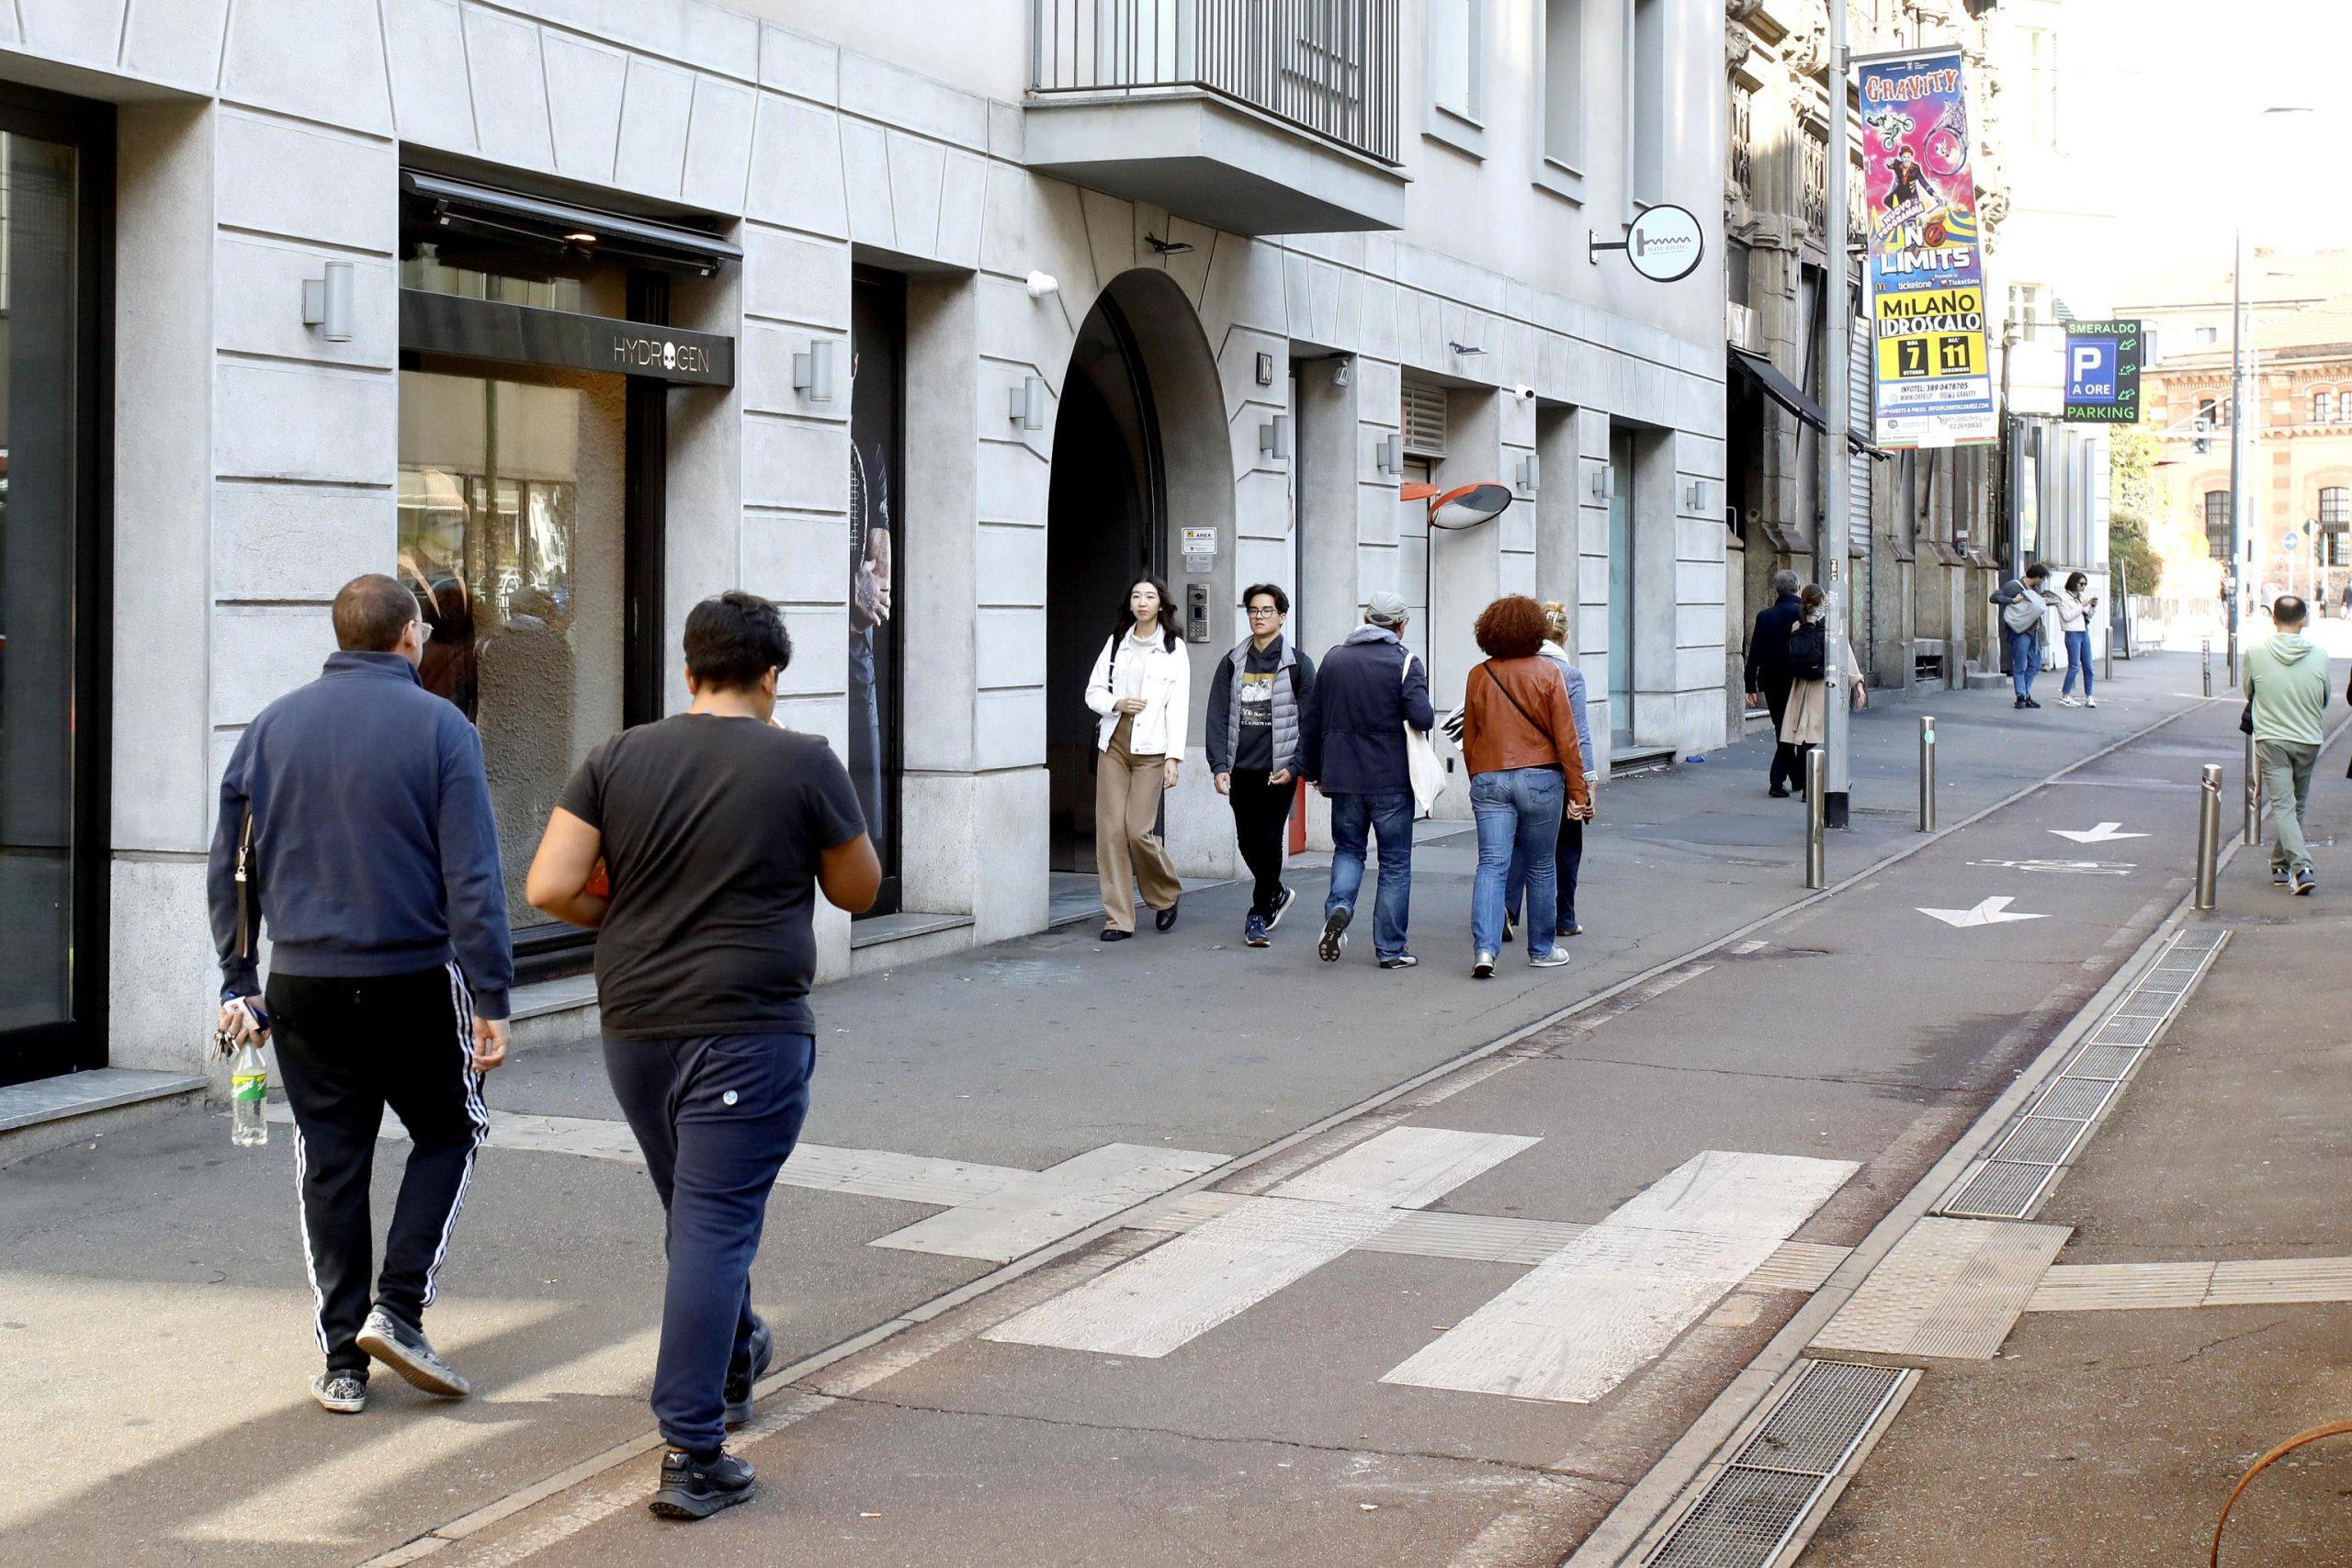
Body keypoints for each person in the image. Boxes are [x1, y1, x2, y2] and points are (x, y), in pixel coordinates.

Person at [525, 591, 879, 1520]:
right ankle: (693, 1450)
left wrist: (631, 915)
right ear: (772, 676)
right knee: (713, 1225)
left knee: (696, 1214)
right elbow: (859, 890)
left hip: (635, 1023)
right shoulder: (803, 761)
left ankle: (734, 1354)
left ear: (689, 670)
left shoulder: (616, 756)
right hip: (746, 1026)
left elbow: (550, 885)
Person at [209, 573, 513, 1417]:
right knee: (451, 1129)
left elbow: (234, 867)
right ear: (411, 634)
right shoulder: (442, 727)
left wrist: (241, 981)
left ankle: (344, 1361)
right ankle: (400, 1308)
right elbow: (474, 876)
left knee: (331, 1161)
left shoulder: (269, 729)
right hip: (414, 974)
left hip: (301, 980)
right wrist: (491, 993)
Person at [1300, 591, 1434, 969]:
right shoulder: (1405, 662)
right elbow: (1422, 717)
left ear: (1367, 619)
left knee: (1348, 851)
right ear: (1401, 625)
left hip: (1343, 778)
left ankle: (1339, 908)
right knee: (1394, 864)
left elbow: (1313, 719)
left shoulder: (1334, 659)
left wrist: (1311, 770)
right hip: (1390, 779)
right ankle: (1390, 950)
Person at [1460, 596, 1590, 978]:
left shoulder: (1479, 675)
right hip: (1541, 779)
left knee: (1491, 865)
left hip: (1490, 777)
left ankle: (1485, 950)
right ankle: (1542, 948)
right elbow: (1568, 739)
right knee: (1540, 865)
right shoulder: (1550, 674)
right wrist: (1578, 791)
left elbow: (1470, 737)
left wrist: (1478, 777)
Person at [1205, 583, 1318, 948]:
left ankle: (1258, 913)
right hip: (1241, 769)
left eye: (1267, 611)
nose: (1259, 617)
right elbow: (1218, 715)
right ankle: (1277, 890)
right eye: (1253, 610)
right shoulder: (1233, 662)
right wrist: (1219, 765)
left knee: (1269, 840)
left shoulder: (1299, 665)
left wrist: (1297, 765)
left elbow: (1311, 720)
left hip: (1279, 770)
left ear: (1282, 617)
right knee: (1247, 841)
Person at [1082, 578, 1191, 942]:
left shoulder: (1174, 648)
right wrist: (1116, 703)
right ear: (1129, 604)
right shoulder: (1117, 643)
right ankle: (1118, 920)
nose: (1142, 602)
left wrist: (1174, 757)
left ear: (1161, 604)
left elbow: (1178, 706)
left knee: (1137, 830)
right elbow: (1093, 690)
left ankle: (1165, 893)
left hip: (1152, 749)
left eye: (1150, 597)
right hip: (1114, 742)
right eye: (1136, 596)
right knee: (1110, 832)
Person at [1504, 601, 1596, 942]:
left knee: (1516, 843)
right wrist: (1588, 783)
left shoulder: (1514, 669)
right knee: (1566, 845)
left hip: (1512, 767)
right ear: (1565, 638)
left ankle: (1506, 908)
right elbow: (1579, 734)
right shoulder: (1568, 675)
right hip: (1557, 772)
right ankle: (1564, 917)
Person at [2242, 594, 2331, 896]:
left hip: (2272, 738)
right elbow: (2326, 697)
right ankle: (2280, 863)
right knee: (2297, 803)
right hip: (2308, 737)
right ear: (2303, 620)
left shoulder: (2255, 652)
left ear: (2274, 619)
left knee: (2283, 804)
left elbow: (2249, 690)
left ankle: (2302, 868)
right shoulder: (2320, 655)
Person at [1780, 584, 1865, 791]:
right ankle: (1828, 784)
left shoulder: (1797, 625)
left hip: (1800, 687)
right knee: (1830, 735)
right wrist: (1857, 683)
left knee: (1802, 738)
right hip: (1824, 687)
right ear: (1822, 601)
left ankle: (1807, 786)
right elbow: (1845, 656)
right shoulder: (1831, 626)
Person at [1744, 569, 1806, 797]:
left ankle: (1794, 779)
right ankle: (1780, 780)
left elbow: (1755, 654)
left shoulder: (1765, 616)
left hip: (1771, 681)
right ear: (1797, 587)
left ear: (1776, 590)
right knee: (1795, 731)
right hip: (1799, 680)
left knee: (1782, 728)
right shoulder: (1804, 613)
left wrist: (1750, 685)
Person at [1991, 562, 2052, 709]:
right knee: (2020, 665)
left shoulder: (2035, 589)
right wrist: (2012, 600)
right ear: (2037, 577)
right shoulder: (2014, 586)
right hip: (2019, 631)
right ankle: (2021, 696)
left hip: (2034, 630)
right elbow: (1994, 597)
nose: (2042, 582)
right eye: (2042, 578)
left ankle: (2026, 693)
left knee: (2035, 663)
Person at [2055, 570, 2100, 709]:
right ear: (2073, 583)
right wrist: (2082, 606)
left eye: (2085, 584)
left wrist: (2092, 606)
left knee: (2088, 666)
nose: (2083, 587)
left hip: (2083, 632)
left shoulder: (2080, 598)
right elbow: (2067, 616)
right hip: (2072, 633)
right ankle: (2065, 695)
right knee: (2074, 666)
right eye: (2081, 583)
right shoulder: (2063, 598)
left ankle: (2089, 696)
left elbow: (2087, 615)